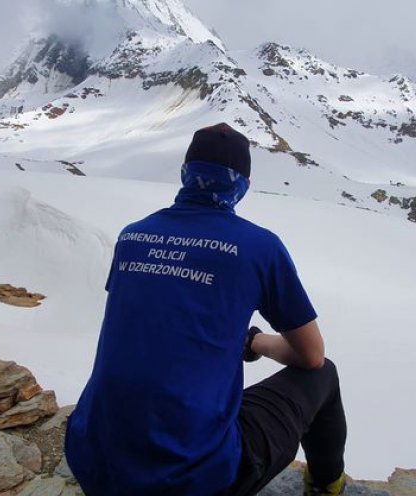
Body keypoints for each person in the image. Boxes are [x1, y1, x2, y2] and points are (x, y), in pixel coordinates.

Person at [65, 123, 348, 496]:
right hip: (194, 476)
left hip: (93, 459)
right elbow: (311, 356)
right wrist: (257, 342)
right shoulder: (258, 247)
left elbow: (157, 317)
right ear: (243, 182)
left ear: (186, 172)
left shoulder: (132, 236)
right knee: (324, 375)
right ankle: (326, 486)